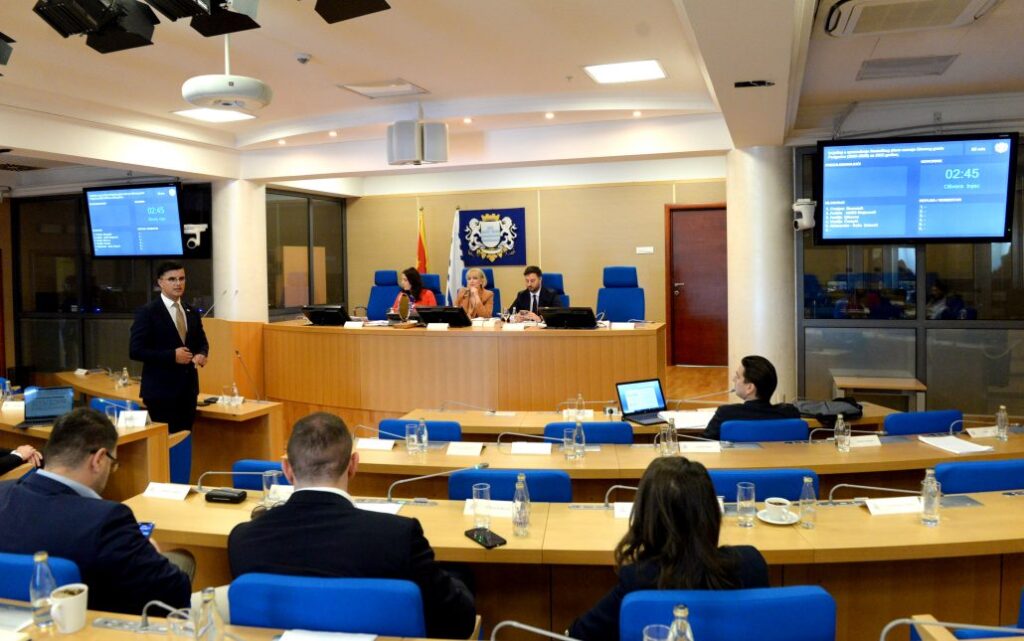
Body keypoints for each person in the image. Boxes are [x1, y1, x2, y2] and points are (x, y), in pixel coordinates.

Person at [228, 412, 476, 639]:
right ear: (354, 465)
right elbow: (458, 623)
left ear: (286, 469)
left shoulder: (243, 540)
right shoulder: (398, 536)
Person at [0, 408, 192, 614]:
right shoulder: (107, 519)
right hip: (86, 623)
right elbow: (174, 593)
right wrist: (150, 552)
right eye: (113, 463)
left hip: (14, 623)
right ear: (99, 460)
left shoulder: (3, 491)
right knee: (182, 560)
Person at [568, 457, 769, 641]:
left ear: (647, 519)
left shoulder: (638, 580)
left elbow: (577, 635)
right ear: (711, 513)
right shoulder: (752, 564)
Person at [129, 261, 209, 433]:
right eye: (172, 279)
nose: (178, 283)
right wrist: (172, 356)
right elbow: (135, 350)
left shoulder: (191, 311)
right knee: (165, 443)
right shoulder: (148, 312)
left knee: (184, 440)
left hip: (188, 392)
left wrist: (201, 354)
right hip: (160, 392)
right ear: (160, 282)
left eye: (181, 278)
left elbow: (202, 342)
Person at [701, 355, 800, 441]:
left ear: (750, 388)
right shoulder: (790, 413)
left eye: (738, 377)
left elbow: (703, 445)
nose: (733, 379)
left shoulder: (726, 413)